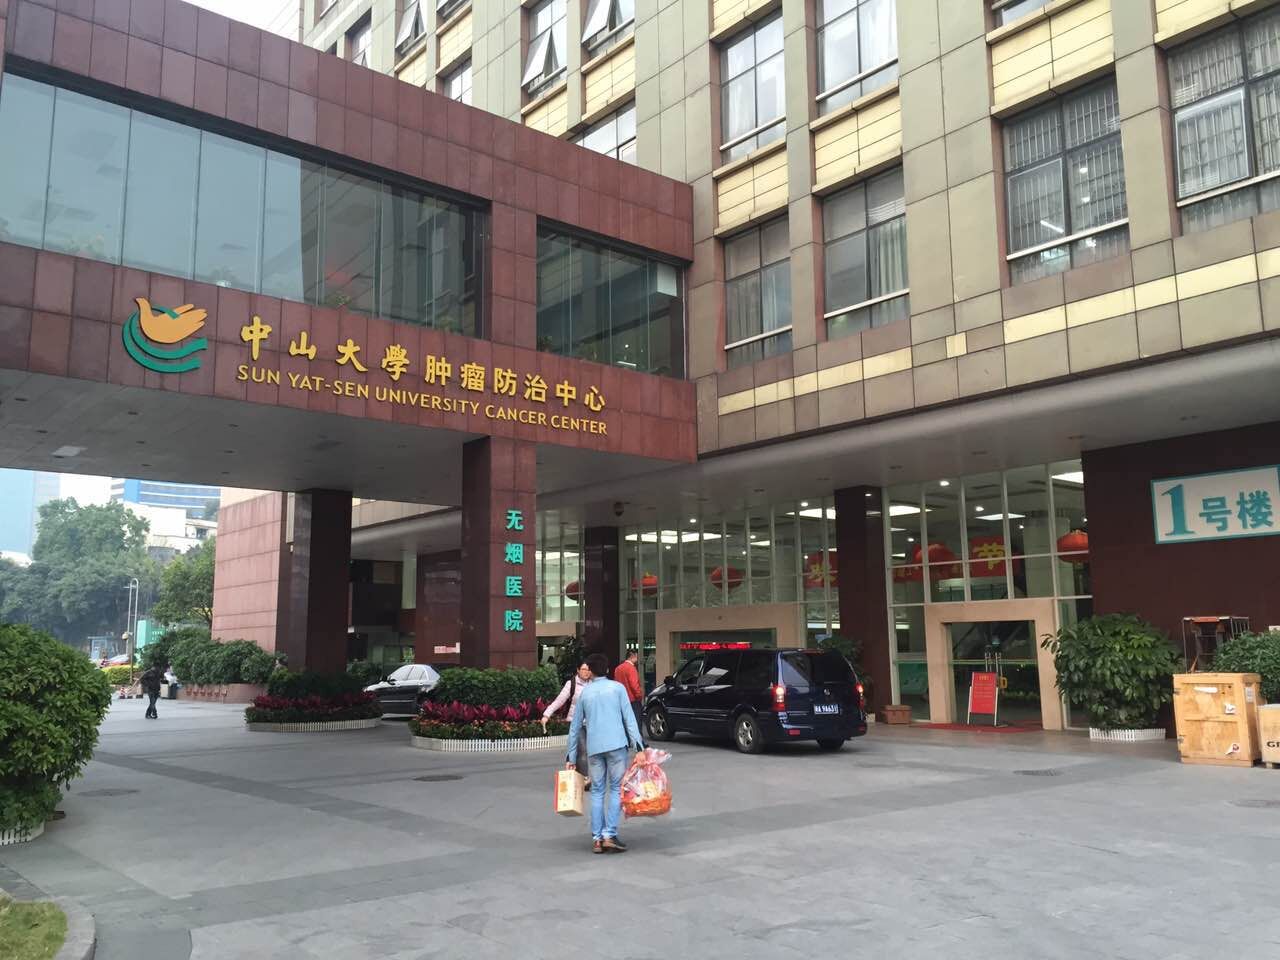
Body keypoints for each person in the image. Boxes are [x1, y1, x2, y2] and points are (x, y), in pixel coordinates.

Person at [566, 653, 646, 854]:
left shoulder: (585, 693)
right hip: (617, 745)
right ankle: (610, 834)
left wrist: (571, 756)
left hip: (594, 748)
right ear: (608, 670)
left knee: (597, 791)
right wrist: (639, 748)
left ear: (590, 672)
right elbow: (629, 719)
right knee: (617, 789)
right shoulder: (617, 689)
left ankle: (597, 839)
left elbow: (575, 727)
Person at [542, 661, 591, 778]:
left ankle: (576, 776)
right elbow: (559, 700)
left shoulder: (594, 683)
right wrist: (547, 715)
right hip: (575, 722)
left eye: (588, 670)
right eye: (584, 669)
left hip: (591, 723)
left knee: (584, 752)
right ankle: (584, 778)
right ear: (578, 670)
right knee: (582, 750)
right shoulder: (571, 684)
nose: (586, 672)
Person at [614, 650, 644, 731]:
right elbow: (634, 685)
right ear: (633, 656)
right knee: (636, 723)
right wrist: (639, 696)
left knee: (624, 723)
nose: (637, 658)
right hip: (633, 700)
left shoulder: (618, 668)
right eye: (636, 656)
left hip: (621, 699)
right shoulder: (631, 668)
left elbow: (616, 683)